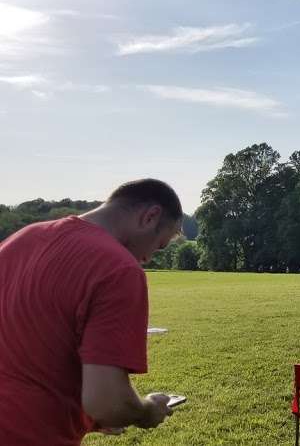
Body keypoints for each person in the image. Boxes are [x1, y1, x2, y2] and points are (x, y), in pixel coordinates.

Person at [0, 179, 182, 445]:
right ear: (150, 216)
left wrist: (89, 419)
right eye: (160, 244)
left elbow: (31, 356)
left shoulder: (19, 240)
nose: (148, 258)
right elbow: (109, 403)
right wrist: (146, 411)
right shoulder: (119, 269)